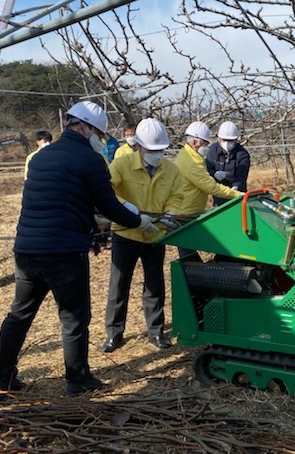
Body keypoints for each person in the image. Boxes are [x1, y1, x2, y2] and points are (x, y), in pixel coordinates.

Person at [0, 101, 160, 402]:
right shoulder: (89, 159)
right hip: (64, 252)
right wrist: (139, 222)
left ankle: (2, 380)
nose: (100, 140)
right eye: (99, 133)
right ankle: (77, 380)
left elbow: (58, 199)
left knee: (19, 315)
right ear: (83, 127)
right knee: (73, 318)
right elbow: (108, 205)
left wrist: (88, 217)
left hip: (27, 248)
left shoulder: (42, 157)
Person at [101, 118, 184, 353]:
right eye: (151, 149)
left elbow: (178, 196)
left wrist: (171, 214)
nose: (156, 154)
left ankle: (156, 331)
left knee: (154, 284)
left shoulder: (171, 169)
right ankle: (114, 333)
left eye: (160, 150)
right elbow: (107, 192)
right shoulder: (121, 164)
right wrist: (128, 210)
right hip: (126, 233)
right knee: (119, 285)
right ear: (139, 146)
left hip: (155, 234)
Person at [175, 121, 242, 257]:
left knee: (189, 248)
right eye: (205, 144)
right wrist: (237, 194)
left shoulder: (192, 156)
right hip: (185, 212)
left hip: (191, 209)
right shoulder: (190, 162)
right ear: (195, 142)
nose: (206, 147)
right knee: (188, 252)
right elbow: (211, 187)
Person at [206, 121, 251, 206]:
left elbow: (241, 176)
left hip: (237, 194)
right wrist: (214, 173)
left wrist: (235, 188)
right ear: (219, 138)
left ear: (235, 140)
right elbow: (208, 167)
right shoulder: (212, 150)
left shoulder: (242, 154)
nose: (227, 143)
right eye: (224, 140)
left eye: (230, 140)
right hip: (219, 193)